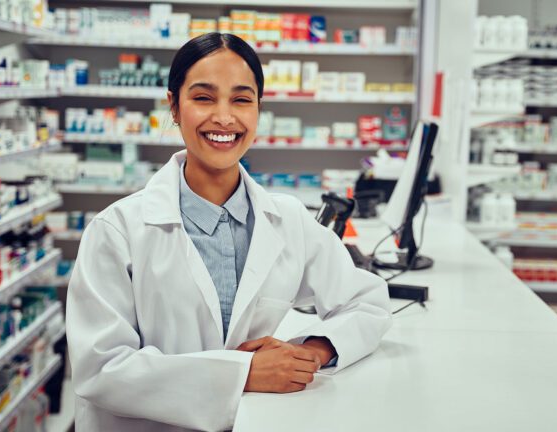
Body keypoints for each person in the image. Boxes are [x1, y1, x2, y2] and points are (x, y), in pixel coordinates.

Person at [66, 32, 392, 432]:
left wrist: (315, 350)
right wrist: (243, 373)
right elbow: (101, 369)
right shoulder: (116, 231)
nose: (224, 117)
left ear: (259, 109)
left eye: (241, 99)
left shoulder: (287, 219)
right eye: (203, 98)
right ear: (173, 105)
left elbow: (369, 303)